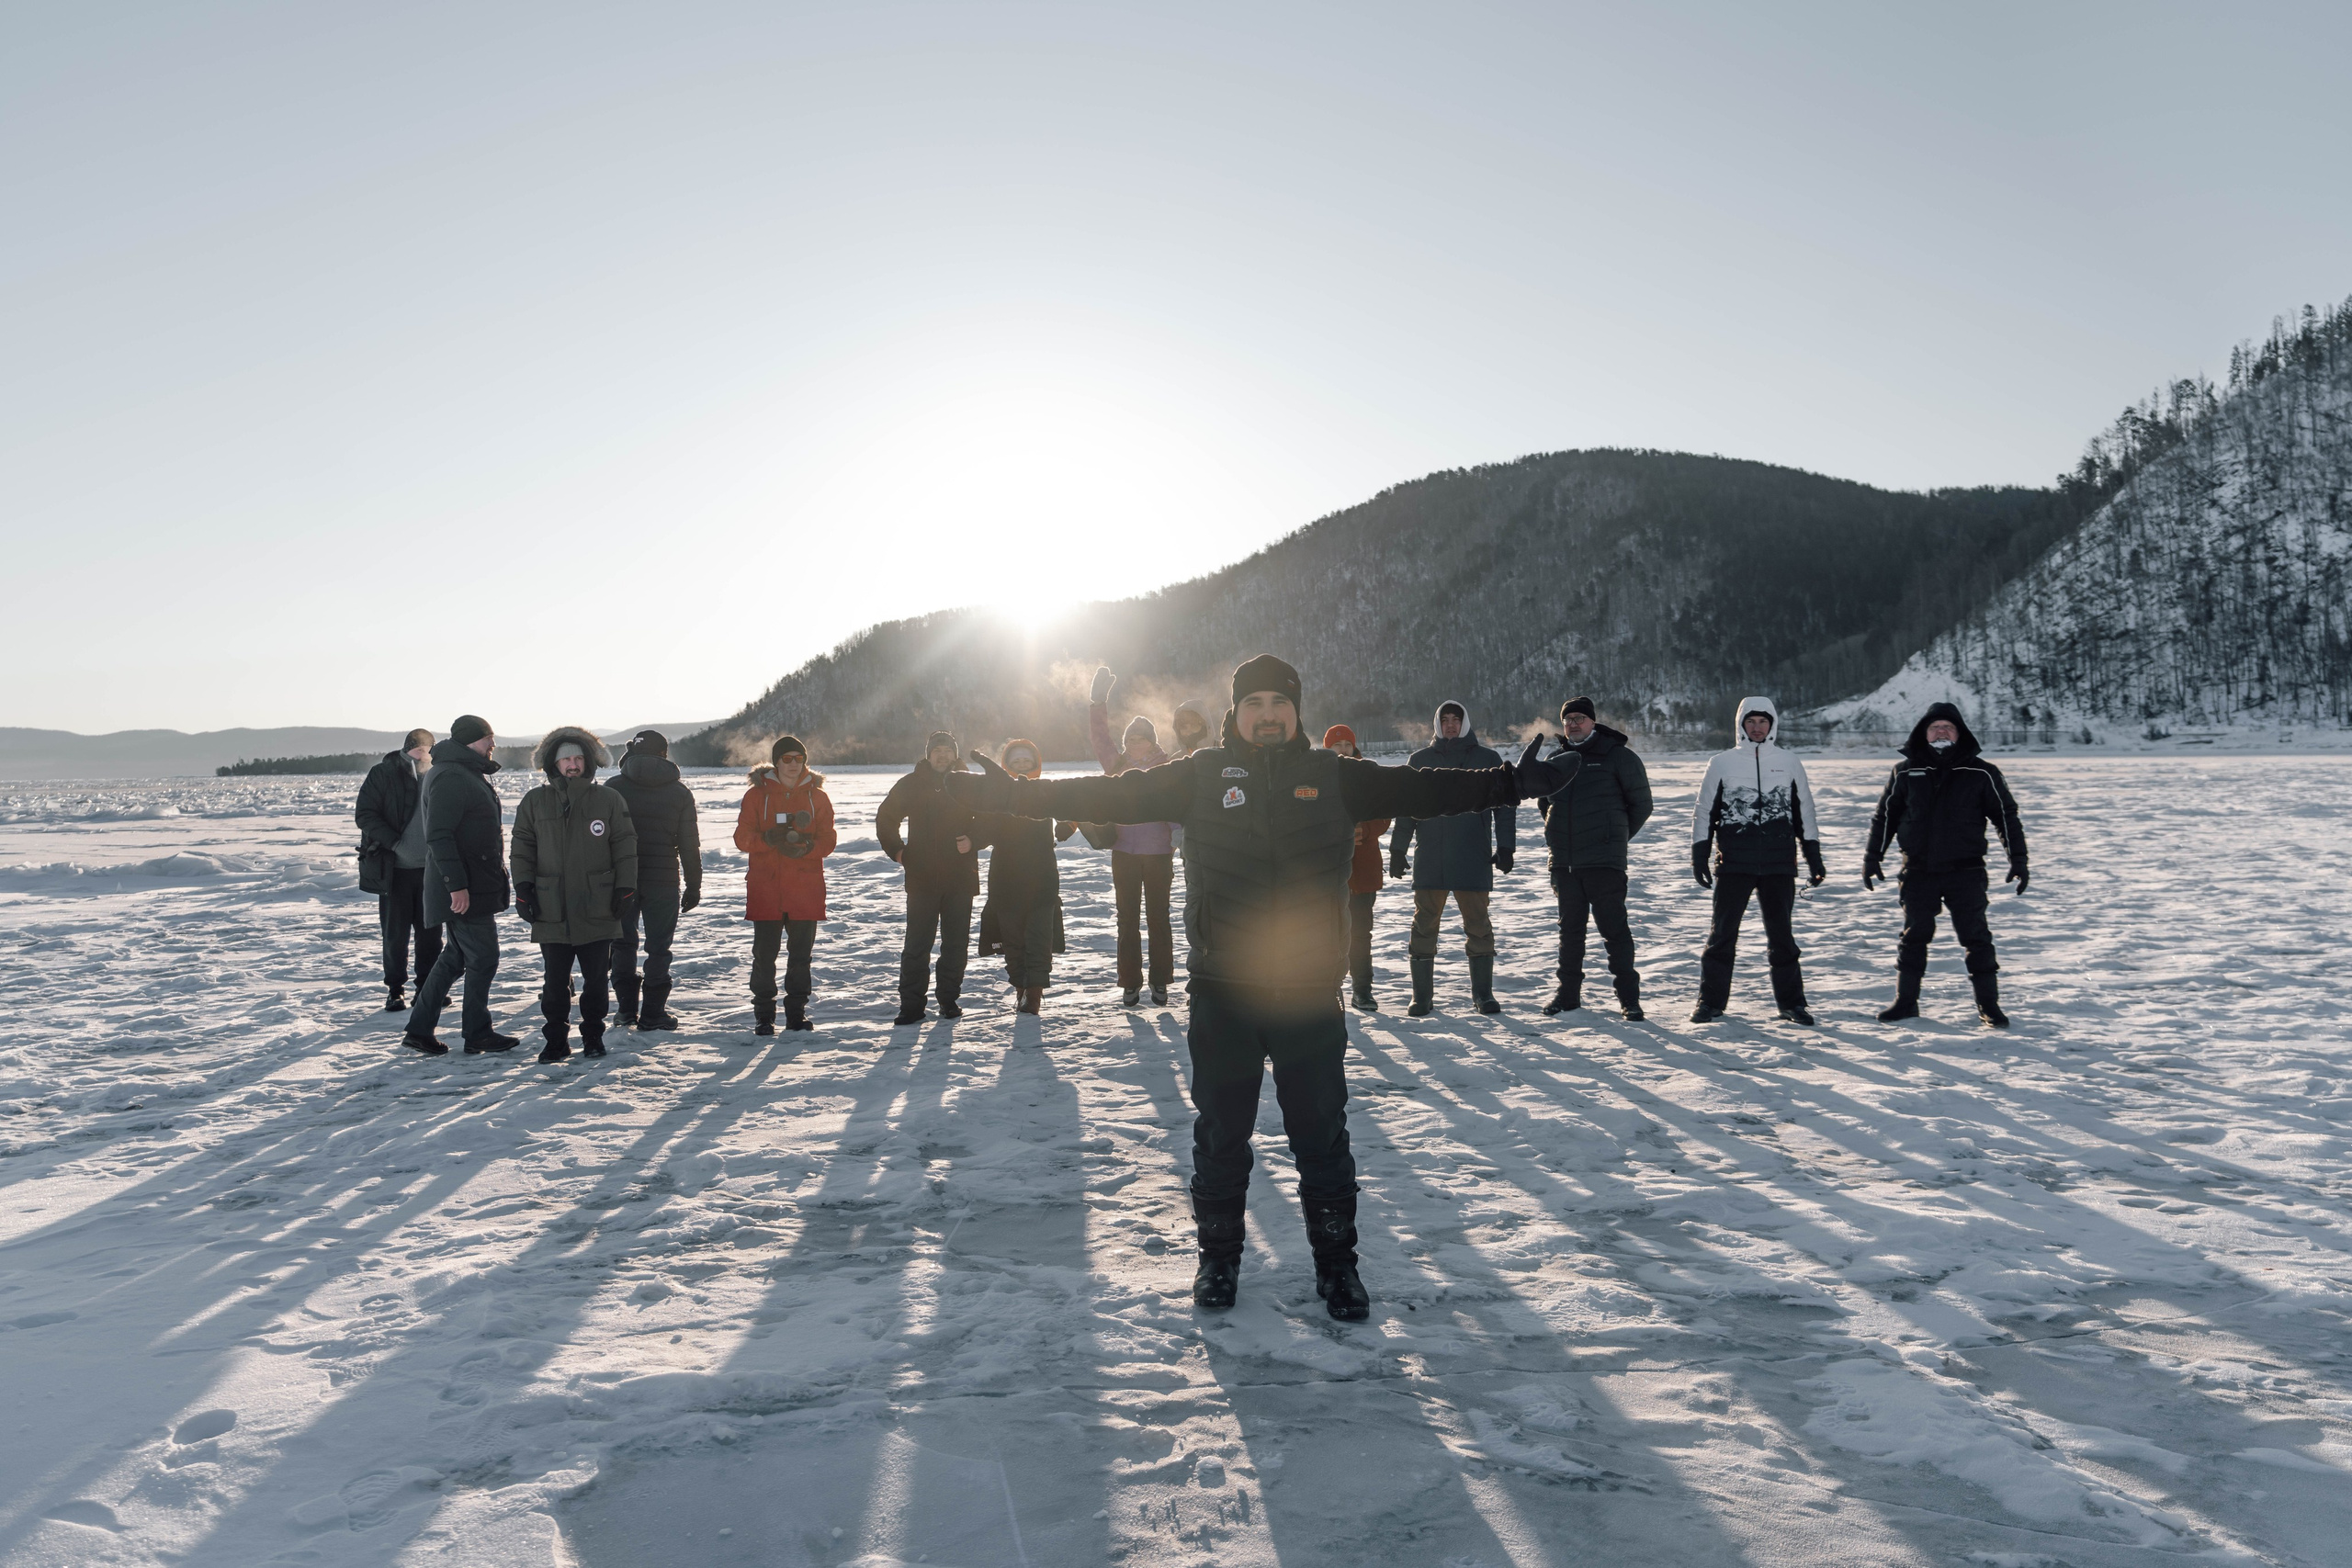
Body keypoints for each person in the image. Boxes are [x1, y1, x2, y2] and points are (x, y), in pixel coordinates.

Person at [944, 655, 1579, 1323]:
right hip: (1223, 988)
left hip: (1309, 991)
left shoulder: (1335, 774)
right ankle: (1218, 1260)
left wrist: (1513, 783)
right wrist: (1015, 795)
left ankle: (1337, 1266)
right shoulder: (1199, 774)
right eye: (1255, 703)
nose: (1268, 714)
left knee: (1321, 1136)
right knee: (1221, 1135)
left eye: (1280, 702)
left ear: (1296, 711)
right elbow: (1107, 796)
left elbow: (1424, 790)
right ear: (1236, 711)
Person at [1863, 702, 2030, 1028]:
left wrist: (2018, 860)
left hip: (1966, 871)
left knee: (1976, 938)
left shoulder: (1982, 772)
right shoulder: (1905, 771)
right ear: (1924, 734)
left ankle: (1989, 1006)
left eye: (1948, 727)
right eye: (1935, 727)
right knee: (1914, 937)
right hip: (1918, 870)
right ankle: (1906, 1002)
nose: (1941, 732)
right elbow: (1885, 817)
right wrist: (1873, 857)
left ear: (1960, 734)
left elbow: (2006, 818)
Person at [1690, 696, 1826, 1025]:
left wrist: (1814, 858)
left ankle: (1792, 1004)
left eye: (1763, 721)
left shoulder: (1789, 762)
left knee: (1782, 937)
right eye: (1750, 721)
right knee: (1722, 936)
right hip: (1734, 863)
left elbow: (1804, 812)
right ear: (1741, 724)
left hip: (1779, 864)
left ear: (1772, 724)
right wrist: (1699, 856)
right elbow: (1704, 811)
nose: (1757, 727)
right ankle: (1710, 1002)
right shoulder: (1721, 763)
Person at [510, 728, 639, 1063]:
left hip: (598, 905)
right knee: (554, 982)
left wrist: (625, 887)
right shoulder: (535, 801)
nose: (573, 764)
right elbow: (522, 848)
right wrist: (523, 888)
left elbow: (625, 846)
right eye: (566, 758)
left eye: (579, 758)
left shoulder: (608, 799)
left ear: (588, 762)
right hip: (551, 906)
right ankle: (556, 1041)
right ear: (554, 764)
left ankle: (593, 1037)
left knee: (596, 980)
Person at [1388, 701, 1517, 1016]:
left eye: (1455, 719)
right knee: (1423, 926)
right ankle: (1421, 997)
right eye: (1444, 719)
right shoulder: (1420, 761)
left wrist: (1506, 847)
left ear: (1465, 723)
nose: (1450, 724)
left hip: (1472, 855)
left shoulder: (1487, 759)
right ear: (1437, 723)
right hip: (1430, 857)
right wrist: (1397, 849)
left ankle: (1483, 995)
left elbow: (1504, 807)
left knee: (1479, 925)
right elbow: (1405, 808)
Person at [404, 716, 521, 1056]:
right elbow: (439, 836)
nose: (493, 744)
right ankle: (477, 1033)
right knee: (484, 956)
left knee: (455, 958)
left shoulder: (462, 770)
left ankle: (419, 1030)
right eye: (487, 738)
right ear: (471, 741)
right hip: (465, 888)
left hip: (473, 882)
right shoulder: (451, 776)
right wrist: (456, 886)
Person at [1534, 697, 1655, 1020]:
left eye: (1579, 718)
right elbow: (1545, 804)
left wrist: (1613, 838)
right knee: (1570, 933)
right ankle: (1567, 995)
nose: (1573, 724)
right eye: (1568, 719)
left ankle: (1629, 999)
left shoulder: (1618, 757)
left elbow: (1642, 804)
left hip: (1604, 862)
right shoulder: (1556, 759)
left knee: (1615, 931)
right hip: (1565, 863)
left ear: (1592, 722)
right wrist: (1559, 838)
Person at [876, 730, 984, 1027]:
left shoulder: (970, 784)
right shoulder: (911, 784)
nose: (942, 755)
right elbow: (886, 818)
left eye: (947, 750)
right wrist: (898, 851)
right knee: (917, 946)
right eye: (937, 751)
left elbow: (990, 819)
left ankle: (949, 1001)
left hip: (960, 878)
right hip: (922, 878)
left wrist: (974, 839)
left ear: (955, 754)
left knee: (955, 945)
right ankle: (911, 1006)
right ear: (928, 755)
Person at [733, 735, 837, 1033]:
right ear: (776, 762)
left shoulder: (818, 797)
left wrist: (808, 848)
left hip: (805, 889)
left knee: (801, 957)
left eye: (799, 759)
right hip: (767, 889)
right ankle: (764, 1016)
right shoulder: (757, 796)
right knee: (764, 957)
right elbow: (741, 838)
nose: (794, 764)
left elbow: (828, 839)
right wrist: (766, 840)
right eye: (787, 759)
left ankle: (796, 1015)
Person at [1089, 666, 1178, 1007]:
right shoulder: (1117, 765)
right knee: (1127, 919)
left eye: (1141, 738)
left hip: (1159, 853)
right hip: (1124, 852)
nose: (1135, 743)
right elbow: (1100, 738)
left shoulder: (1166, 767)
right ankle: (1130, 982)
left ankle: (1160, 980)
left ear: (1152, 741)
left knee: (1158, 918)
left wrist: (1179, 833)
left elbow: (1175, 805)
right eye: (1130, 739)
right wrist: (1097, 703)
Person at [605, 730, 703, 1031]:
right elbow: (689, 844)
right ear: (664, 754)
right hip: (663, 879)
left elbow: (600, 839)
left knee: (622, 944)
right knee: (659, 948)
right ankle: (653, 1014)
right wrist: (694, 885)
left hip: (622, 879)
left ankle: (625, 1011)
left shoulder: (613, 787)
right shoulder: (680, 792)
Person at [973, 739, 1072, 1015]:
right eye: (1016, 762)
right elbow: (983, 828)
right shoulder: (998, 794)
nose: (1021, 766)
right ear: (1007, 765)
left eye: (1026, 761)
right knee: (1013, 939)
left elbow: (1071, 813)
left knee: (1039, 938)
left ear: (1036, 764)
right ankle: (1020, 987)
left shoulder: (1047, 790)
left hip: (1042, 877)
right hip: (1006, 877)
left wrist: (1068, 825)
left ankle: (1035, 994)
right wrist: (971, 840)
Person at [355, 728, 439, 1012]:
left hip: (431, 871)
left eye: (426, 750)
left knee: (431, 934)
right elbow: (365, 814)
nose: (422, 755)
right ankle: (395, 990)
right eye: (417, 750)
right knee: (395, 935)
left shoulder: (437, 775)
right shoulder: (384, 774)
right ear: (406, 749)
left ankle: (427, 988)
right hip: (395, 871)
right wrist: (395, 843)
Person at [1323, 725, 1390, 1012]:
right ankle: (1325, 989)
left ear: (1354, 747)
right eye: (1336, 746)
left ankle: (1362, 991)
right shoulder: (1317, 776)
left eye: (1347, 745)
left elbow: (1384, 814)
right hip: (1327, 873)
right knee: (1326, 934)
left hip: (1362, 870)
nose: (1343, 750)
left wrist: (1365, 829)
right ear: (1327, 749)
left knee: (1360, 935)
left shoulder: (1369, 775)